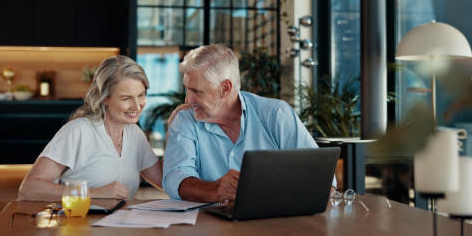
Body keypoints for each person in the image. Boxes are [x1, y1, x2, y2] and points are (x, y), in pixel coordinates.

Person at [162, 44, 337, 202]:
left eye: (196, 91)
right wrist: (216, 191)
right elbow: (174, 178)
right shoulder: (185, 120)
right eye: (187, 89)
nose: (188, 99)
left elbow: (323, 179)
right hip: (210, 226)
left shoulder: (275, 114)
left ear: (225, 89)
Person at [19, 55, 162, 201]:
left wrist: (177, 129)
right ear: (104, 98)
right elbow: (29, 188)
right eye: (126, 98)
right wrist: (93, 193)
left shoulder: (136, 135)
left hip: (122, 222)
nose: (137, 106)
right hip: (78, 222)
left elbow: (165, 180)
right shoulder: (78, 131)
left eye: (141, 95)